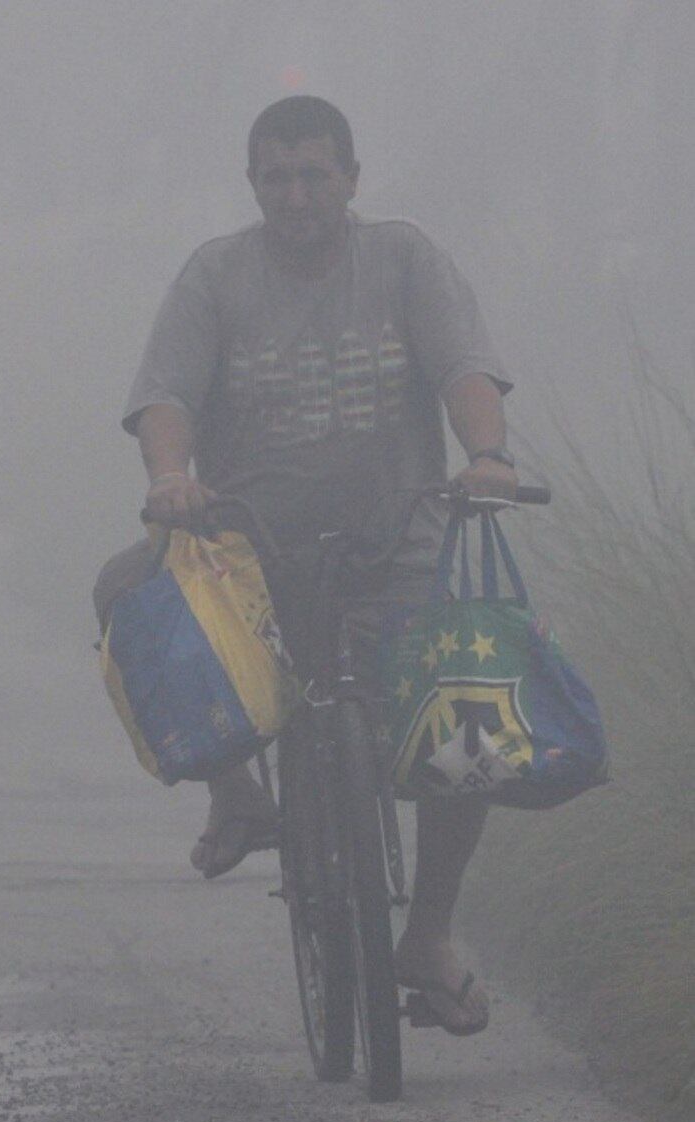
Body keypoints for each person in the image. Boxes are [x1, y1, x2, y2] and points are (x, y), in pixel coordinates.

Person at [123, 96, 518, 1036]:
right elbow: (165, 394)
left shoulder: (404, 259)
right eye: (276, 176)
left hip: (397, 549)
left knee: (468, 726)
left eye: (314, 173)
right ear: (254, 184)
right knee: (126, 593)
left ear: (351, 177)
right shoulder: (215, 276)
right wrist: (171, 476)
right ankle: (238, 797)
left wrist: (490, 455)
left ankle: (426, 935)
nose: (295, 193)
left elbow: (464, 364)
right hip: (246, 560)